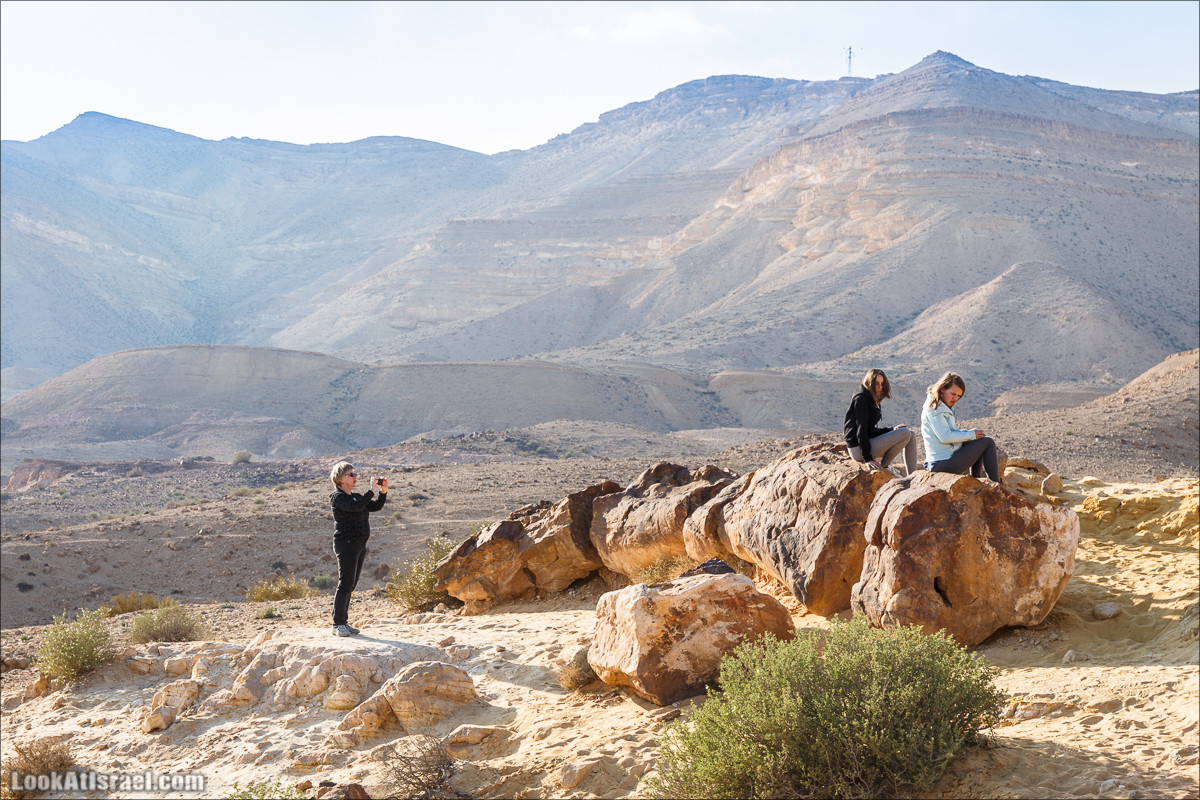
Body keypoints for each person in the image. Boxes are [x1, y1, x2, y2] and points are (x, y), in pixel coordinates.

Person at [328, 461, 387, 637]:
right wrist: (372, 490)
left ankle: (343, 622)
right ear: (340, 479)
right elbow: (355, 507)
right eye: (350, 474)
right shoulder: (337, 497)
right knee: (345, 583)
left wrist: (382, 492)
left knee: (351, 584)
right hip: (346, 544)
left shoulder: (356, 496)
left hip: (359, 545)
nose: (355, 477)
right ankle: (337, 623)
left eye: (355, 474)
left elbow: (375, 506)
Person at [920, 372, 1001, 482]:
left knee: (979, 439)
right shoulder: (935, 409)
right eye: (953, 393)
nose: (955, 398)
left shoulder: (942, 406)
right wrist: (971, 434)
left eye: (958, 396)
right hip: (941, 463)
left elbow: (951, 432)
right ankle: (995, 484)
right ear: (942, 389)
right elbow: (945, 437)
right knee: (988, 442)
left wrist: (972, 435)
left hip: (945, 458)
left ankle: (976, 481)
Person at [843, 368, 918, 476]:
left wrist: (891, 430)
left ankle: (912, 476)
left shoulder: (871, 397)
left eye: (882, 384)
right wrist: (868, 459)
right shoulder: (862, 399)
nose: (880, 387)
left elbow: (870, 430)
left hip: (867, 442)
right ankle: (884, 466)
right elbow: (861, 430)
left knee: (911, 434)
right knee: (905, 432)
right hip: (858, 449)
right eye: (876, 383)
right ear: (869, 383)